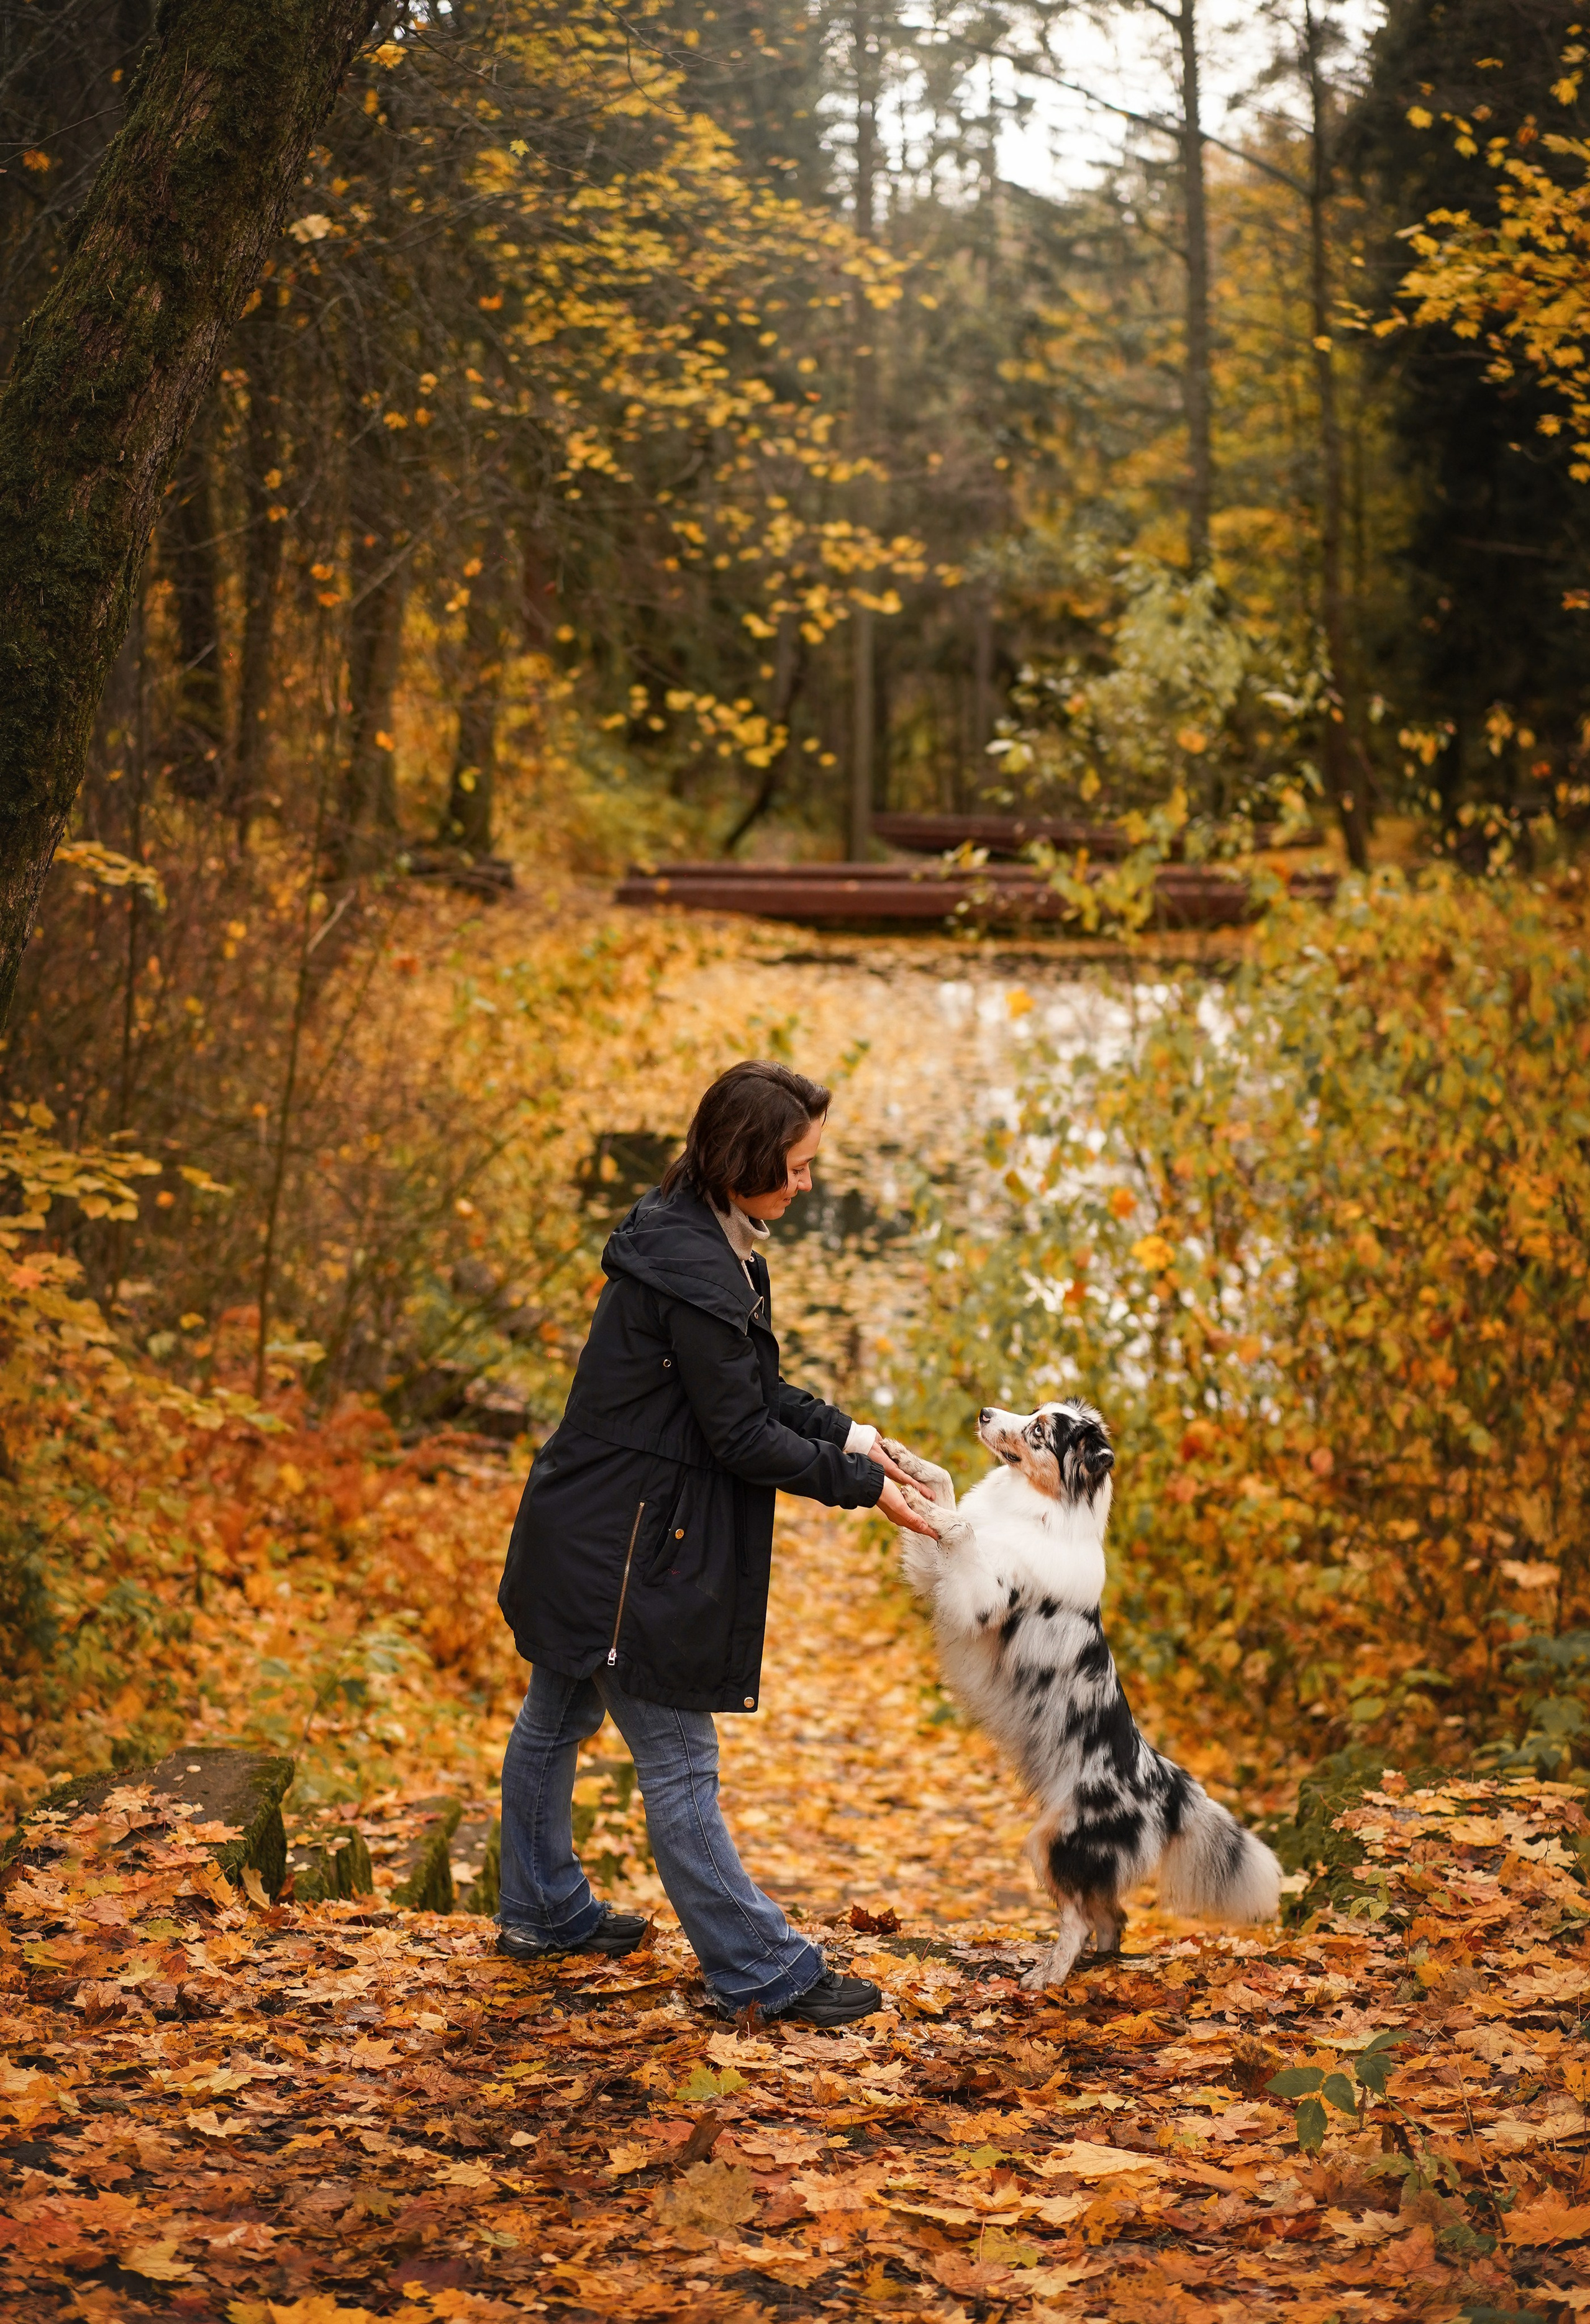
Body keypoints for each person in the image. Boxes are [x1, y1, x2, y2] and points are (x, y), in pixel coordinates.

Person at [496, 1059, 935, 2027]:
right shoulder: (696, 1266)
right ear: (746, 1159)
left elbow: (744, 1395)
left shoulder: (701, 1239)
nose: (809, 1184)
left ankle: (537, 1908)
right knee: (680, 1760)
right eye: (799, 1165)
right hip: (622, 1554)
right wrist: (867, 1491)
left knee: (555, 1721)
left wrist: (859, 1439)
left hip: (599, 1529)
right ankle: (761, 1967)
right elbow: (738, 1436)